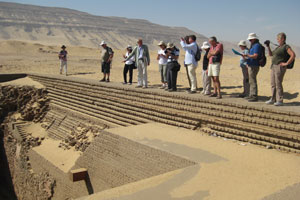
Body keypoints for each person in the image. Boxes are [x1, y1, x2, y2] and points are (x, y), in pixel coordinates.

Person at [265, 32, 296, 106]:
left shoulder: (286, 47)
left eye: (278, 39)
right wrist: (268, 46)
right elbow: (270, 54)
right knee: (273, 83)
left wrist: (286, 63)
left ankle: (280, 100)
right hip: (273, 66)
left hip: (280, 67)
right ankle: (273, 99)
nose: (277, 40)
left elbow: (293, 55)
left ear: (283, 39)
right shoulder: (278, 47)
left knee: (278, 83)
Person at [243, 33, 262, 102]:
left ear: (254, 39)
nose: (250, 41)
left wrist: (248, 55)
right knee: (251, 80)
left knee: (253, 80)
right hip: (251, 64)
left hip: (254, 65)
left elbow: (255, 56)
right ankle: (251, 95)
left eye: (251, 40)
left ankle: (254, 96)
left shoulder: (256, 46)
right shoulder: (253, 45)